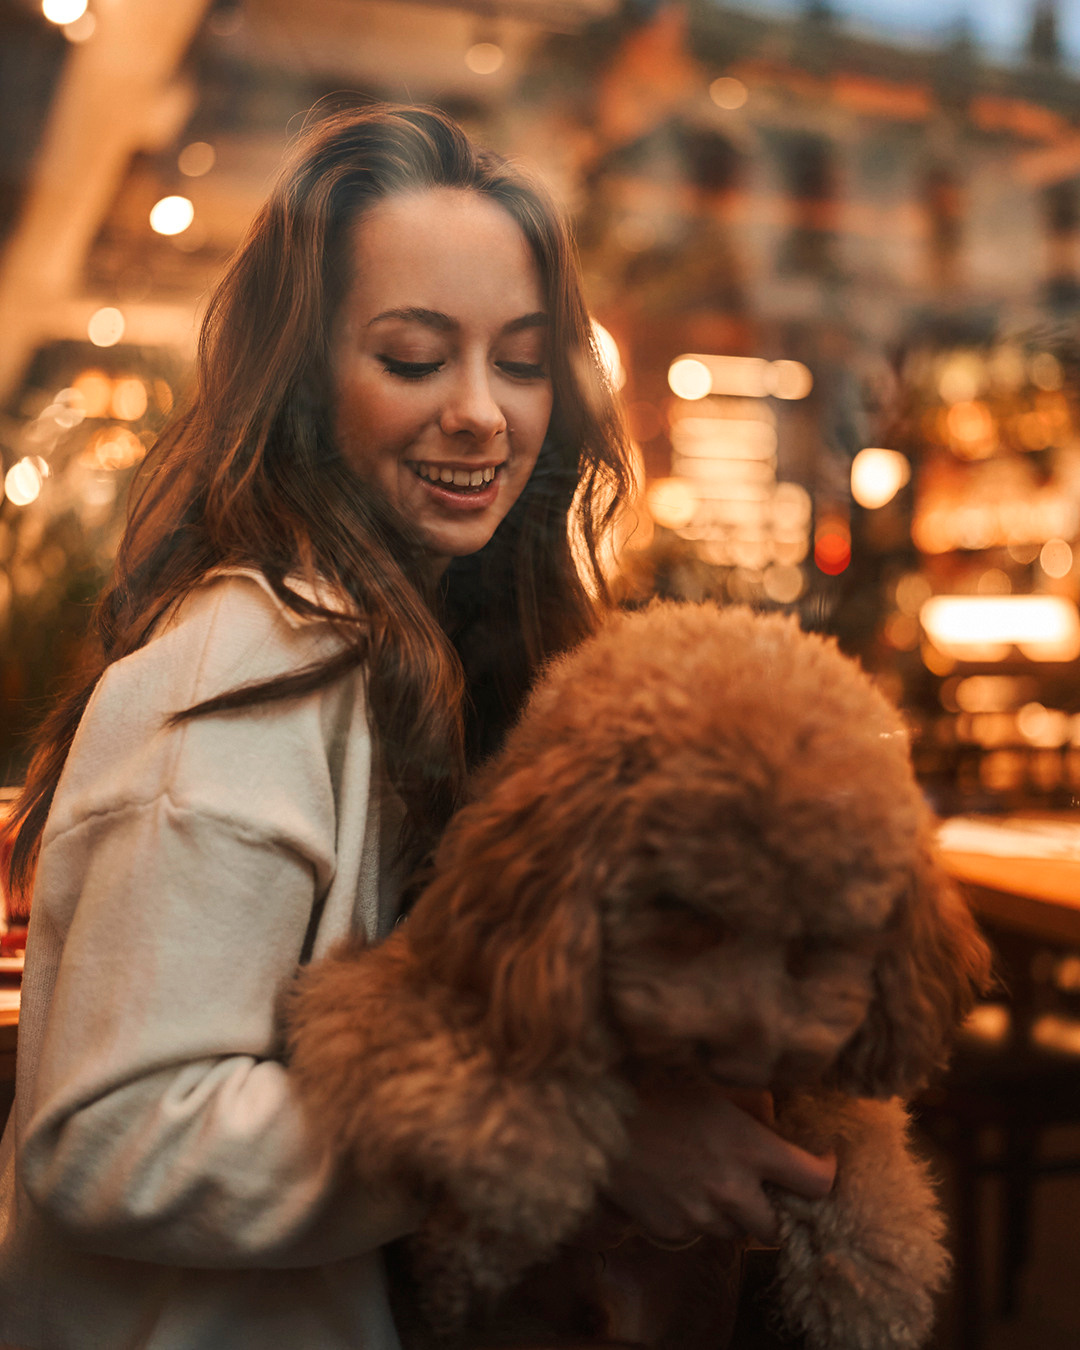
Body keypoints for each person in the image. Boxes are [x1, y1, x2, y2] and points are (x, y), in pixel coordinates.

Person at [0, 104, 834, 1349]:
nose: (482, 414)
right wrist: (577, 1144)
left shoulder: (434, 646)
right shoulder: (232, 678)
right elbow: (118, 1138)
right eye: (411, 357)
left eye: (522, 359)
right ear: (300, 386)